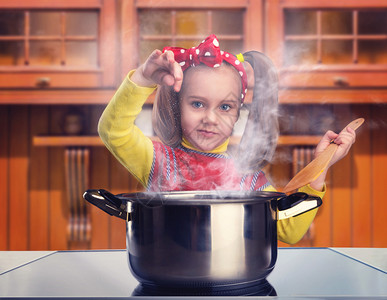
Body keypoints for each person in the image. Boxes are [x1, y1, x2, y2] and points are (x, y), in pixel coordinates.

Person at [98, 35, 356, 244]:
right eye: (198, 104)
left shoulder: (249, 178)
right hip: (166, 277)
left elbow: (290, 230)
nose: (210, 118)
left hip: (234, 281)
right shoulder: (157, 160)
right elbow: (113, 131)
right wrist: (143, 78)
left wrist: (323, 162)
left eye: (225, 107)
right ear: (177, 107)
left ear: (237, 115)